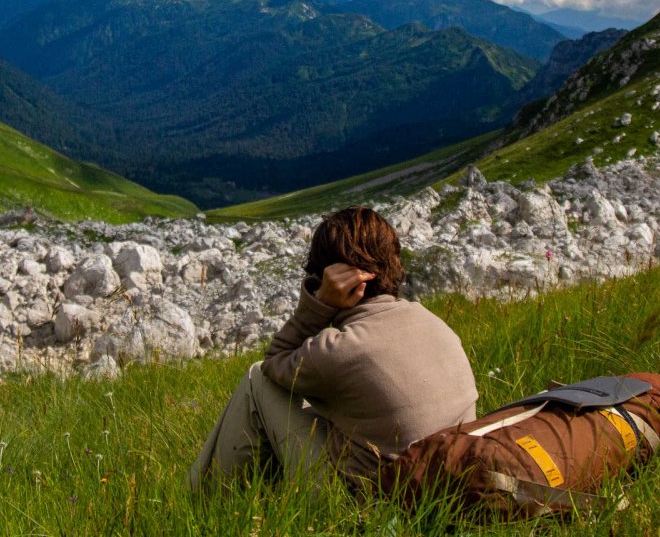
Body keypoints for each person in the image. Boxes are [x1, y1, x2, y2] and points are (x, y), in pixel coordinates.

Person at [189, 206, 478, 492]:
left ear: (331, 279)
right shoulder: (436, 324)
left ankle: (208, 500)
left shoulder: (339, 350)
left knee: (257, 380)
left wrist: (319, 306)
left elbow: (273, 362)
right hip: (453, 490)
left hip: (370, 508)